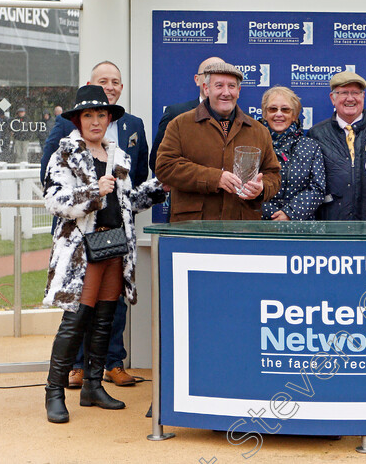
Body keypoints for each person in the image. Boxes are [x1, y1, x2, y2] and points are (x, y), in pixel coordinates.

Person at [42, 85, 167, 423]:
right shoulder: (65, 154)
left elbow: (127, 203)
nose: (96, 121)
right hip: (82, 249)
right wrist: (92, 191)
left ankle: (93, 387)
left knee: (105, 318)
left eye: (101, 115)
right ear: (78, 120)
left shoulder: (118, 157)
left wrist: (159, 187)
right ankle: (53, 391)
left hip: (114, 245)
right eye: (88, 116)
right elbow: (54, 200)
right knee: (76, 319)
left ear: (109, 119)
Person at [156, 62, 281, 221]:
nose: (226, 92)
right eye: (219, 85)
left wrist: (262, 188)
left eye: (231, 86)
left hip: (242, 228)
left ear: (239, 91)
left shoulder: (258, 130)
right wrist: (215, 178)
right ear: (206, 89)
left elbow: (273, 175)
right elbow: (165, 167)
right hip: (193, 228)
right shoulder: (180, 124)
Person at [308, 71, 366, 220]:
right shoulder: (317, 134)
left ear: (363, 97)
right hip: (332, 224)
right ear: (333, 98)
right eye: (344, 92)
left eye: (355, 93)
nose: (350, 98)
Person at [258, 86, 325, 221]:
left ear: (294, 116)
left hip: (301, 227)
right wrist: (273, 214)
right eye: (272, 109)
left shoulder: (310, 146)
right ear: (265, 114)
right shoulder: (253, 144)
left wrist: (290, 213)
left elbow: (317, 188)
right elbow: (244, 185)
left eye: (285, 110)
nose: (278, 114)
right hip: (261, 224)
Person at [149, 56, 225, 174]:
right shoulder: (176, 114)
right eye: (209, 75)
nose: (214, 81)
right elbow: (157, 162)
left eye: (222, 76)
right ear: (197, 79)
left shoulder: (242, 120)